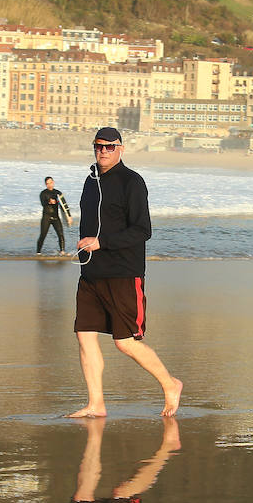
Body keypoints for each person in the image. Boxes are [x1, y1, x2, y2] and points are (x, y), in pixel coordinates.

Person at [71, 127, 182, 419]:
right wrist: (86, 245)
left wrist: (102, 243)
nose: (103, 151)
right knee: (84, 335)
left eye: (109, 146)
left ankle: (170, 384)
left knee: (125, 342)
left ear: (121, 149)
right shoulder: (90, 180)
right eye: (98, 146)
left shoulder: (132, 182)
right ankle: (96, 403)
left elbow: (143, 230)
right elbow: (92, 222)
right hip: (91, 272)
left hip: (123, 271)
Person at [37, 176, 73, 256]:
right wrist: (49, 201)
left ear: (53, 182)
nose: (49, 185)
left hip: (56, 217)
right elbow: (43, 203)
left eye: (51, 183)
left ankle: (62, 251)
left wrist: (69, 216)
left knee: (61, 234)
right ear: (45, 184)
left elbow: (64, 205)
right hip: (46, 218)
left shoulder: (58, 193)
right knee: (43, 235)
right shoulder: (43, 193)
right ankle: (38, 252)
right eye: (47, 183)